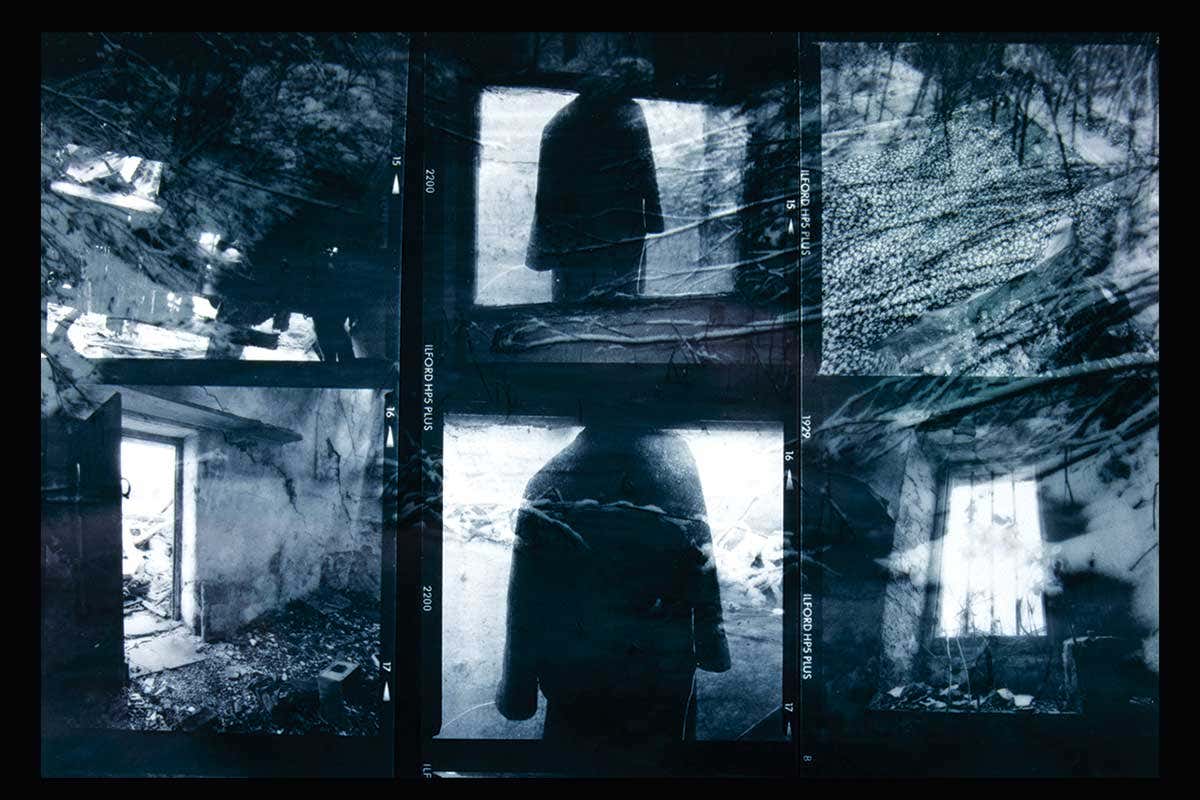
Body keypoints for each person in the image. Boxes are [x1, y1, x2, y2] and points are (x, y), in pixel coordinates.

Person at [496, 424, 731, 748]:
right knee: (665, 764)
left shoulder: (550, 477)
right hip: (661, 676)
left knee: (575, 763)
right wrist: (712, 649)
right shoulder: (674, 465)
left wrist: (518, 692)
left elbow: (525, 600)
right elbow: (702, 563)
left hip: (576, 681)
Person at [525, 59, 665, 303]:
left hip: (578, 233)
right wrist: (654, 219)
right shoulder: (629, 114)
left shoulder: (562, 120)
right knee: (619, 303)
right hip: (619, 228)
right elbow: (646, 171)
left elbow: (546, 196)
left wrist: (544, 249)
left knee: (575, 304)